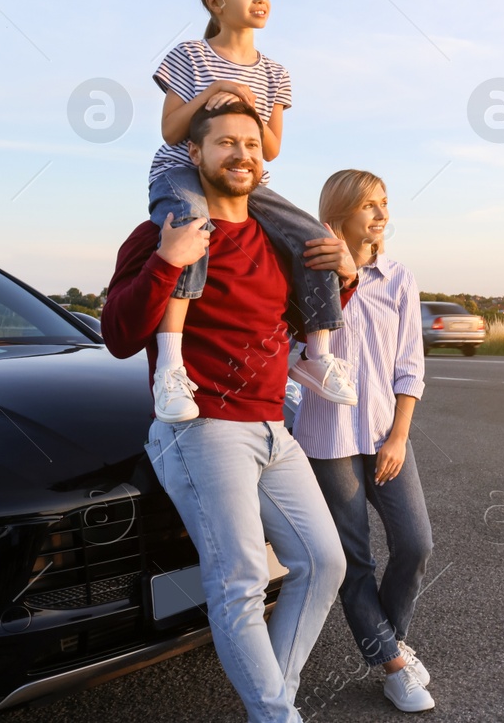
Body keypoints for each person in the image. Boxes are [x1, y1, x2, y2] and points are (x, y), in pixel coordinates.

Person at [102, 100, 352, 723]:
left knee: (325, 562)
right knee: (239, 582)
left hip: (272, 426)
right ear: (195, 154)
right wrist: (167, 262)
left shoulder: (273, 238)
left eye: (251, 143)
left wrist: (343, 276)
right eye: (225, 144)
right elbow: (117, 334)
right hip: (202, 430)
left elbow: (290, 322)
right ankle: (277, 716)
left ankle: (275, 703)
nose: (241, 154)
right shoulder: (162, 231)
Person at [145, 0, 357, 424]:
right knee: (192, 232)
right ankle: (171, 369)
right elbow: (171, 131)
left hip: (247, 177)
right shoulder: (190, 55)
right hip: (184, 170)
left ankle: (316, 353)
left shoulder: (274, 73)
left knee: (318, 239)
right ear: (215, 2)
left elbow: (272, 148)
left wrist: (245, 104)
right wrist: (210, 92)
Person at [293, 169, 437, 713]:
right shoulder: (308, 276)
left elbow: (410, 368)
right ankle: (394, 667)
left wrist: (399, 436)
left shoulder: (399, 278)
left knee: (416, 544)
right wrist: (341, 276)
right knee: (355, 561)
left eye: (384, 204)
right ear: (338, 215)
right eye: (369, 205)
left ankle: (387, 646)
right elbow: (296, 355)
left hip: (384, 435)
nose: (381, 214)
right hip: (328, 441)